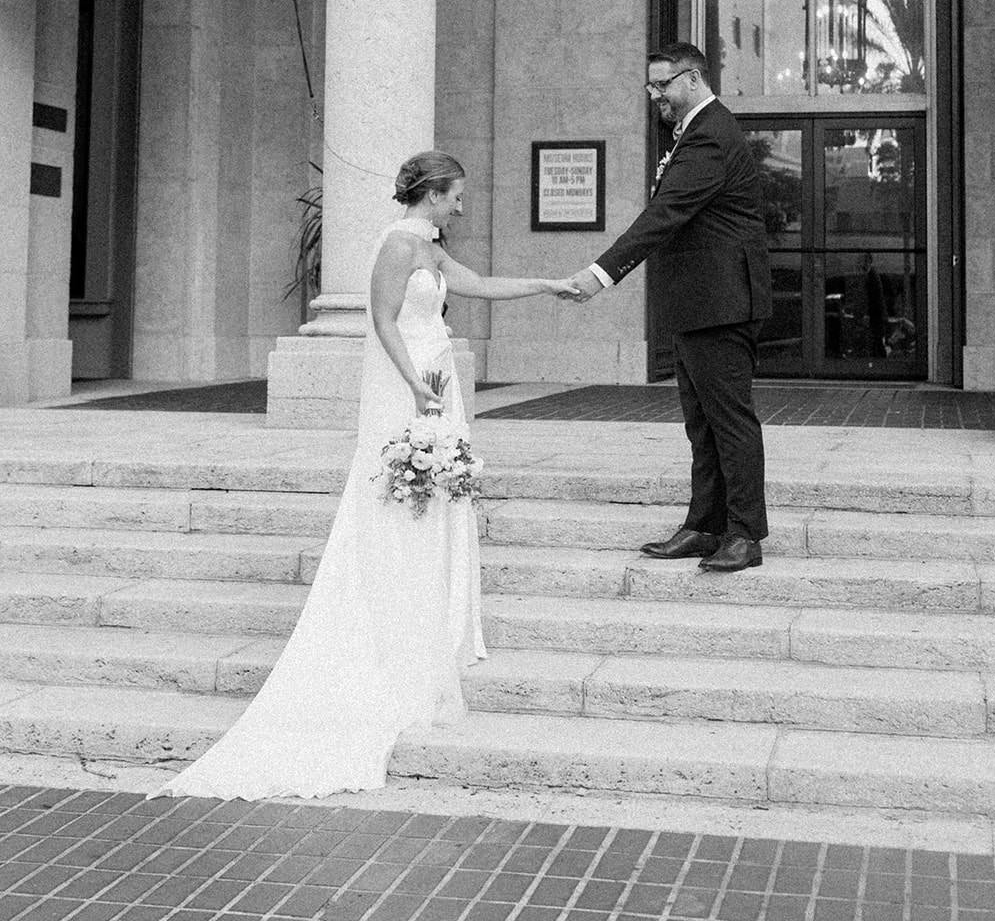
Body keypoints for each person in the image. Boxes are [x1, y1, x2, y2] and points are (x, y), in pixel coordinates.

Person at [154, 151, 578, 800]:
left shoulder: (429, 246)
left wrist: (548, 285)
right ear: (431, 194)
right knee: (397, 491)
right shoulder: (396, 245)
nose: (462, 206)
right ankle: (384, 618)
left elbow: (481, 285)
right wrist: (414, 386)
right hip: (407, 384)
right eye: (456, 195)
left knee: (432, 493)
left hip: (437, 380)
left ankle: (427, 614)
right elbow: (381, 322)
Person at [569, 42, 772, 572]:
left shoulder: (711, 133)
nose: (654, 95)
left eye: (662, 85)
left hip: (722, 303)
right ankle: (705, 527)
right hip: (699, 303)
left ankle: (745, 535)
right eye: (650, 85)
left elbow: (667, 213)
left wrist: (600, 274)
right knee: (701, 424)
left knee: (729, 422)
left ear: (693, 79)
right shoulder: (693, 132)